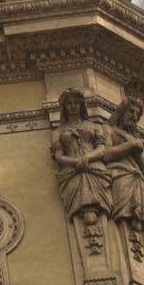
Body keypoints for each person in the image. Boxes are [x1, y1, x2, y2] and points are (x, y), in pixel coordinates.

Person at [51, 89, 111, 223]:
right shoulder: (57, 132)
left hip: (95, 168)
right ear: (64, 107)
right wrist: (76, 162)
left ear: (81, 105)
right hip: (71, 171)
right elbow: (59, 156)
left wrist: (86, 158)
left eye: (76, 103)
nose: (73, 106)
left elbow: (101, 149)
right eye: (69, 103)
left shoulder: (94, 126)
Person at [103, 97, 144, 233]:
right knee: (123, 217)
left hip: (137, 181)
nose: (134, 116)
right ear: (122, 112)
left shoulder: (134, 138)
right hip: (120, 176)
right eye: (131, 111)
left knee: (138, 223)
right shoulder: (109, 130)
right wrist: (130, 145)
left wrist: (136, 150)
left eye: (137, 114)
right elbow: (106, 154)